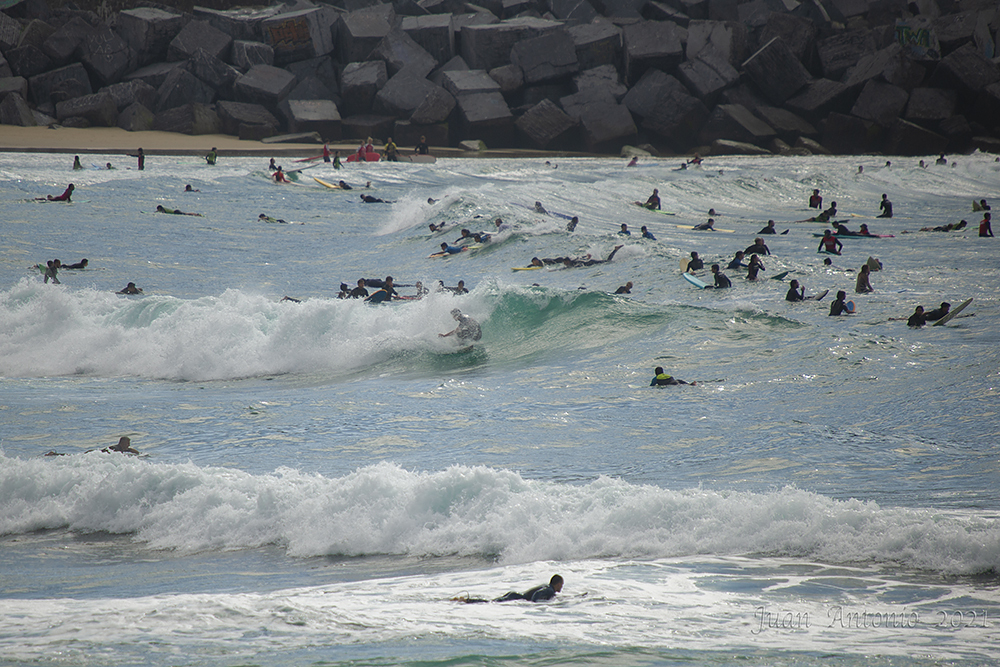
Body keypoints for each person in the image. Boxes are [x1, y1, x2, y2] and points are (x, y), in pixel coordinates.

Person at [456, 575, 563, 604]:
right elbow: (537, 594)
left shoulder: (547, 587)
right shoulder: (550, 590)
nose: (561, 587)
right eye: (561, 584)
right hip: (516, 597)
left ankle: (466, 600)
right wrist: (533, 603)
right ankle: (467, 600)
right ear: (557, 584)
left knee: (491, 601)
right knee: (490, 602)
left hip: (515, 595)